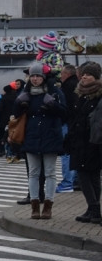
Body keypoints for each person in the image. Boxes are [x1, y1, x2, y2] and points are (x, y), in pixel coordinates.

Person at [14, 61, 66, 219]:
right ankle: (35, 206)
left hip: (50, 135)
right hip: (32, 136)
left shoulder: (54, 92)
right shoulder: (26, 93)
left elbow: (65, 113)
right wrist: (19, 104)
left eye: (38, 76)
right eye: (32, 76)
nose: (35, 79)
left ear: (44, 77)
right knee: (33, 173)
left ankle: (48, 205)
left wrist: (52, 105)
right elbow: (16, 115)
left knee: (50, 173)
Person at [70, 62, 102, 224]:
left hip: (93, 141)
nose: (84, 77)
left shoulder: (98, 95)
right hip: (80, 140)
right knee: (86, 174)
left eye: (88, 74)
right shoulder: (80, 94)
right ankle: (93, 208)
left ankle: (94, 208)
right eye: (83, 74)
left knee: (89, 175)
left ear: (96, 77)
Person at [56, 63, 79, 193]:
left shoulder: (66, 88)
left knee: (67, 153)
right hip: (76, 124)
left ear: (67, 74)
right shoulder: (78, 85)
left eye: (62, 73)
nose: (61, 76)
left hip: (68, 124)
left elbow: (66, 108)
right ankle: (75, 180)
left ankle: (67, 182)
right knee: (74, 152)